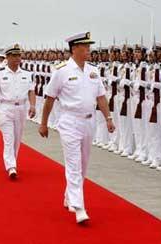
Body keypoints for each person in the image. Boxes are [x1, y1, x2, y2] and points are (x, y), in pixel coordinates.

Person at [38, 32, 115, 224]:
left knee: (83, 164)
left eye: (89, 46)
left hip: (89, 121)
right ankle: (79, 207)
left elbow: (101, 97)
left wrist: (108, 118)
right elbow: (50, 98)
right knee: (73, 164)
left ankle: (69, 197)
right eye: (85, 46)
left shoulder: (93, 71)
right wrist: (43, 123)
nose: (89, 49)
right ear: (74, 48)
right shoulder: (61, 70)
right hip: (69, 121)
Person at [0, 43, 36, 179]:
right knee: (9, 138)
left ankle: (12, 161)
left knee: (17, 138)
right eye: (13, 55)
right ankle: (11, 166)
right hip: (5, 108)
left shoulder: (26, 73)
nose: (17, 58)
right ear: (7, 57)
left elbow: (31, 90)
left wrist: (33, 105)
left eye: (18, 55)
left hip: (21, 108)